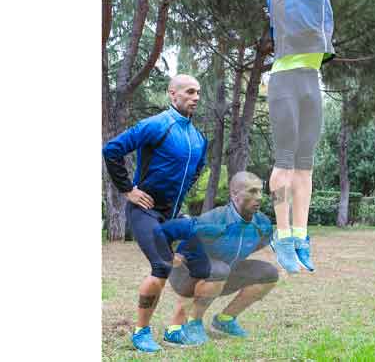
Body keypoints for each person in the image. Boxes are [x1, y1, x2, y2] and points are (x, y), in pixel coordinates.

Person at [102, 74, 208, 353]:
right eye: (189, 92)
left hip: (172, 214)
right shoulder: (157, 125)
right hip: (145, 211)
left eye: (198, 92)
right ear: (172, 94)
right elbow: (112, 150)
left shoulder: (198, 138)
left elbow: (196, 170)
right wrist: (128, 190)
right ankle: (141, 332)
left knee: (203, 266)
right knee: (162, 266)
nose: (196, 97)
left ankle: (175, 329)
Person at [264, 0, 334, 274]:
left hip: (312, 81)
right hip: (286, 81)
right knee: (285, 165)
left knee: (305, 166)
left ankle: (301, 237)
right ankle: (282, 233)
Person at [152, 171, 279, 347]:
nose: (259, 197)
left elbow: (258, 243)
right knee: (219, 269)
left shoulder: (262, 223)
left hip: (224, 274)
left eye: (260, 191)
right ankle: (192, 323)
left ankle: (225, 320)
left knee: (269, 273)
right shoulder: (214, 219)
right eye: (252, 191)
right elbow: (171, 238)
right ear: (234, 194)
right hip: (188, 275)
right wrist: (170, 257)